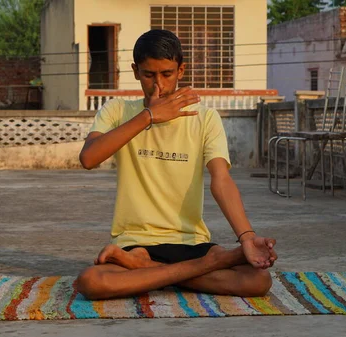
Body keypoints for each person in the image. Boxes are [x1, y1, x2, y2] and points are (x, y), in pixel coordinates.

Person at [77, 29, 277, 300]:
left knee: (258, 281)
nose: (158, 84)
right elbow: (89, 158)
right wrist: (148, 116)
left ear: (181, 70)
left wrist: (247, 238)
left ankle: (149, 271)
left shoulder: (205, 118)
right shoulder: (117, 111)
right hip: (135, 242)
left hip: (190, 240)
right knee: (92, 282)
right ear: (135, 71)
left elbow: (221, 180)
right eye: (149, 75)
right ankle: (206, 267)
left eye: (167, 74)